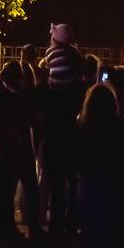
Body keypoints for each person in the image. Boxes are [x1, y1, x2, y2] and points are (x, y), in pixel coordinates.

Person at [76, 81, 124, 248]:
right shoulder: (117, 126)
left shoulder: (83, 127)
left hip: (90, 184)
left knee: (90, 234)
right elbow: (122, 159)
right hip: (111, 184)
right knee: (110, 235)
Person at [42, 24, 84, 232]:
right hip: (72, 130)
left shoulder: (50, 57)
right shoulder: (77, 60)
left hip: (55, 131)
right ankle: (74, 219)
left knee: (56, 179)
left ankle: (56, 221)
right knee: (73, 178)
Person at [0, 61, 42, 237]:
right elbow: (34, 119)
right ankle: (33, 226)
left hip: (11, 145)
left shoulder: (3, 96)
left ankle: (9, 226)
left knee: (9, 189)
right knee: (30, 188)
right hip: (24, 144)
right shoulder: (27, 94)